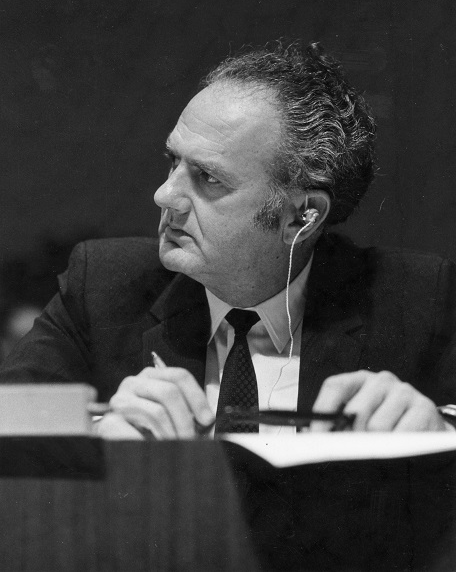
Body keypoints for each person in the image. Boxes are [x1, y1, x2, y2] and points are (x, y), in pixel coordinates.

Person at [1, 42, 455, 441]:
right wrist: (96, 435)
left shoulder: (414, 299)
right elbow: (11, 424)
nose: (165, 195)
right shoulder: (104, 287)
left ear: (302, 216)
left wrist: (441, 430)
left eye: (208, 178)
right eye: (173, 162)